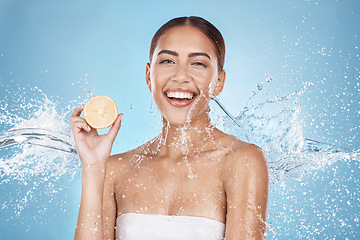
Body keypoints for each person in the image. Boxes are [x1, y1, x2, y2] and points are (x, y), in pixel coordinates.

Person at [70, 16, 269, 240]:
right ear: (148, 76)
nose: (180, 76)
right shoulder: (114, 170)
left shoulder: (241, 161)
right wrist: (93, 167)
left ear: (219, 82)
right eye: (167, 61)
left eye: (198, 63)